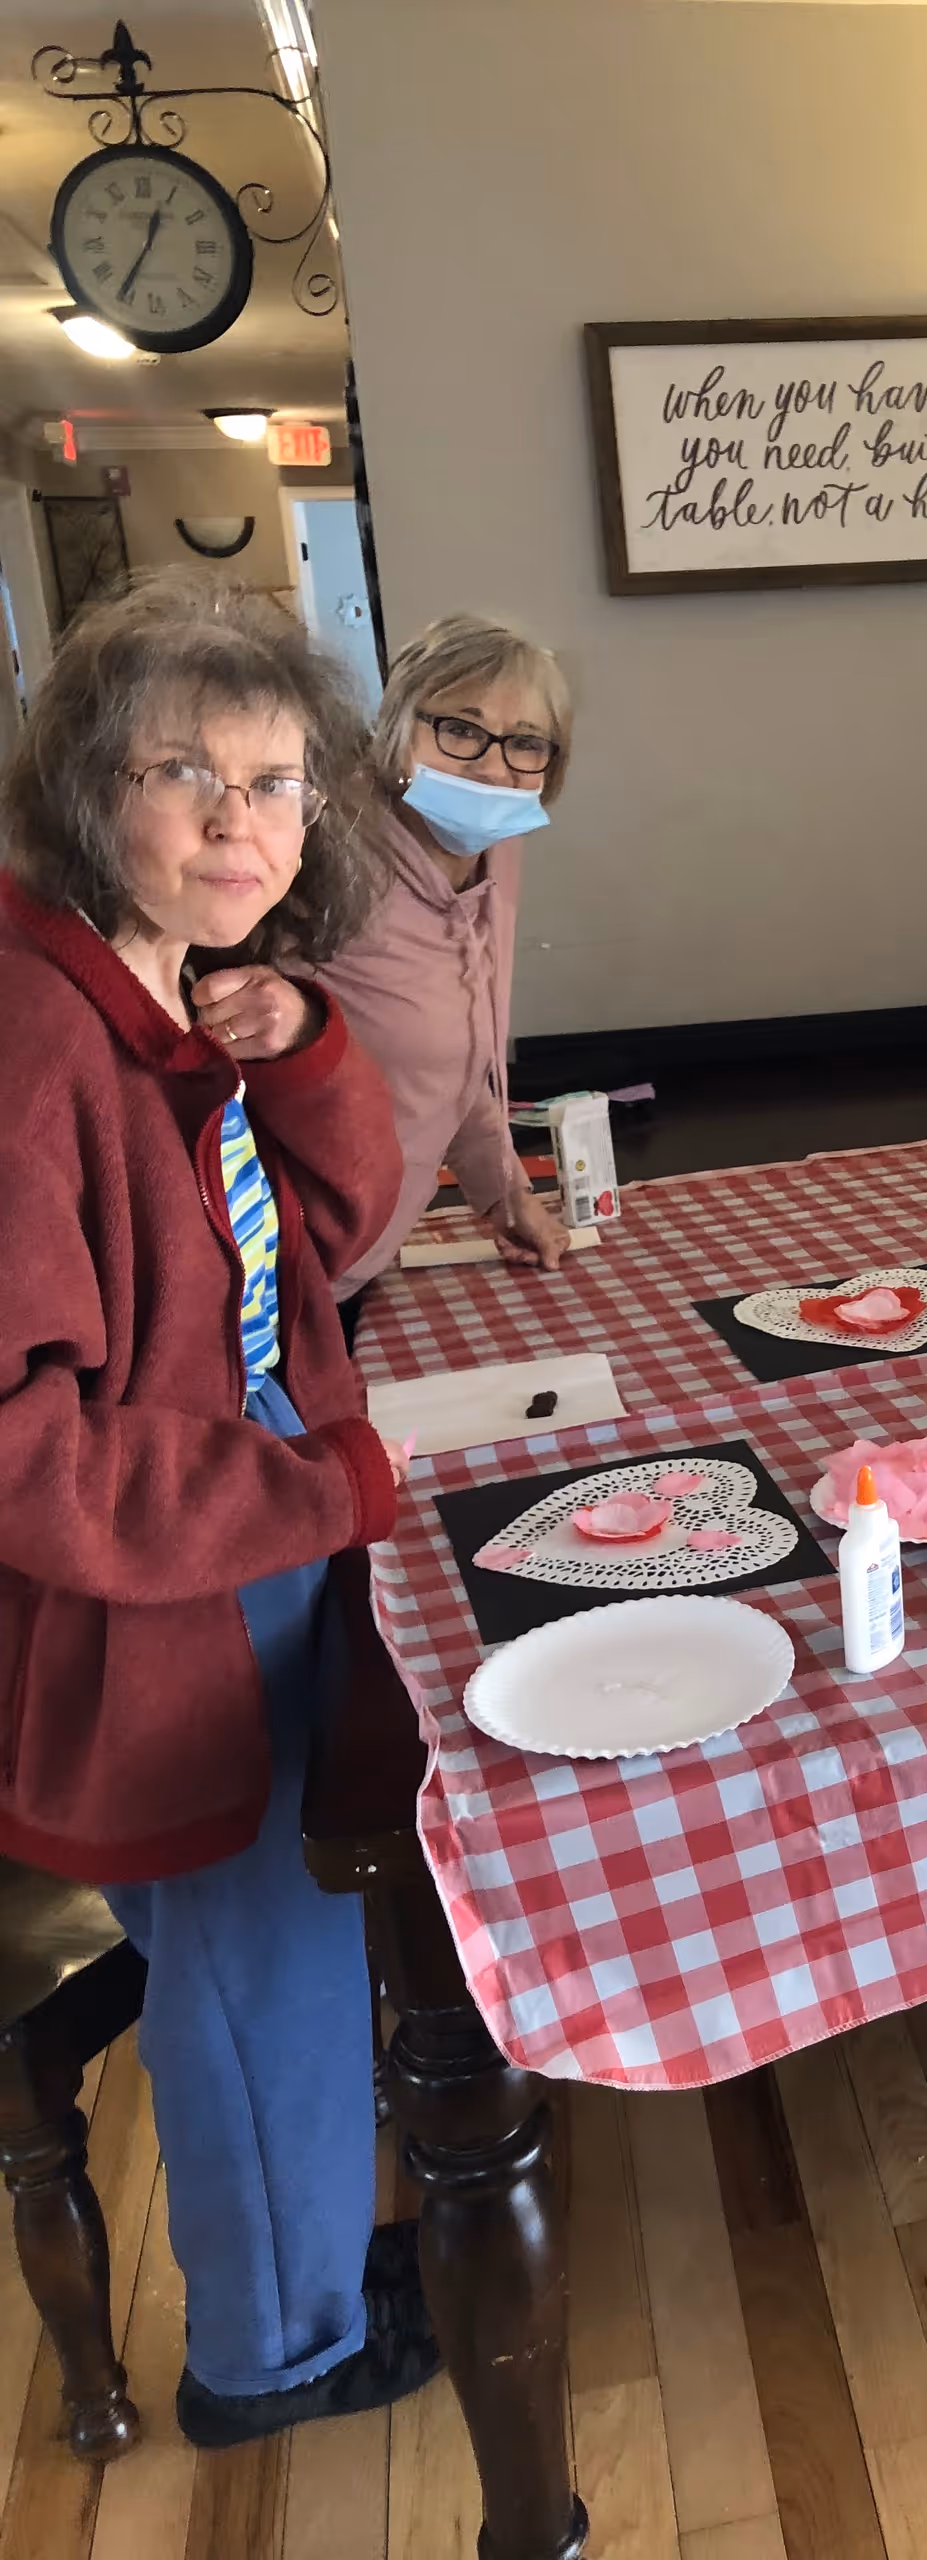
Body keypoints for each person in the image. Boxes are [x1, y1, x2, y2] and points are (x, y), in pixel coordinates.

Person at [0, 572, 435, 2446]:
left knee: (293, 1925)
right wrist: (304, 1483)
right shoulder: (31, 1041)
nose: (243, 824)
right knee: (250, 1963)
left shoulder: (166, 992)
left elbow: (331, 1240)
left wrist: (302, 1051)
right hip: (160, 1597)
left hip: (243, 1530)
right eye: (189, 774)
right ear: (92, 791)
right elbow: (26, 1449)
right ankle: (279, 2354)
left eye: (276, 782)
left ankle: (316, 2256)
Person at [197, 612, 577, 1311]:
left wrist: (503, 1192)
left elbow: (451, 1056)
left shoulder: (494, 859)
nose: (493, 765)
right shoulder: (322, 858)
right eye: (460, 730)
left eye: (526, 743)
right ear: (397, 730)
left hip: (367, 1257)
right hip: (273, 1282)